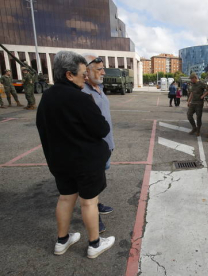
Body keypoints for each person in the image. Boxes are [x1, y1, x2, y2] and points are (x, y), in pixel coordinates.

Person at [36, 51, 115, 259]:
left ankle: (62, 241)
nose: (85, 77)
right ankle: (94, 244)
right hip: (85, 162)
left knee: (65, 199)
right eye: (82, 73)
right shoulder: (80, 98)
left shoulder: (47, 97)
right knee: (89, 202)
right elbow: (101, 129)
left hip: (60, 162)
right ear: (69, 75)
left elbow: (42, 128)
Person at [82, 53, 115, 234]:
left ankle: (97, 203)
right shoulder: (83, 93)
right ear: (86, 72)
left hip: (106, 144)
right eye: (99, 69)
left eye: (103, 69)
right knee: (91, 182)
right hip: (94, 148)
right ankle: (94, 215)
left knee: (99, 178)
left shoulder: (99, 88)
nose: (103, 72)